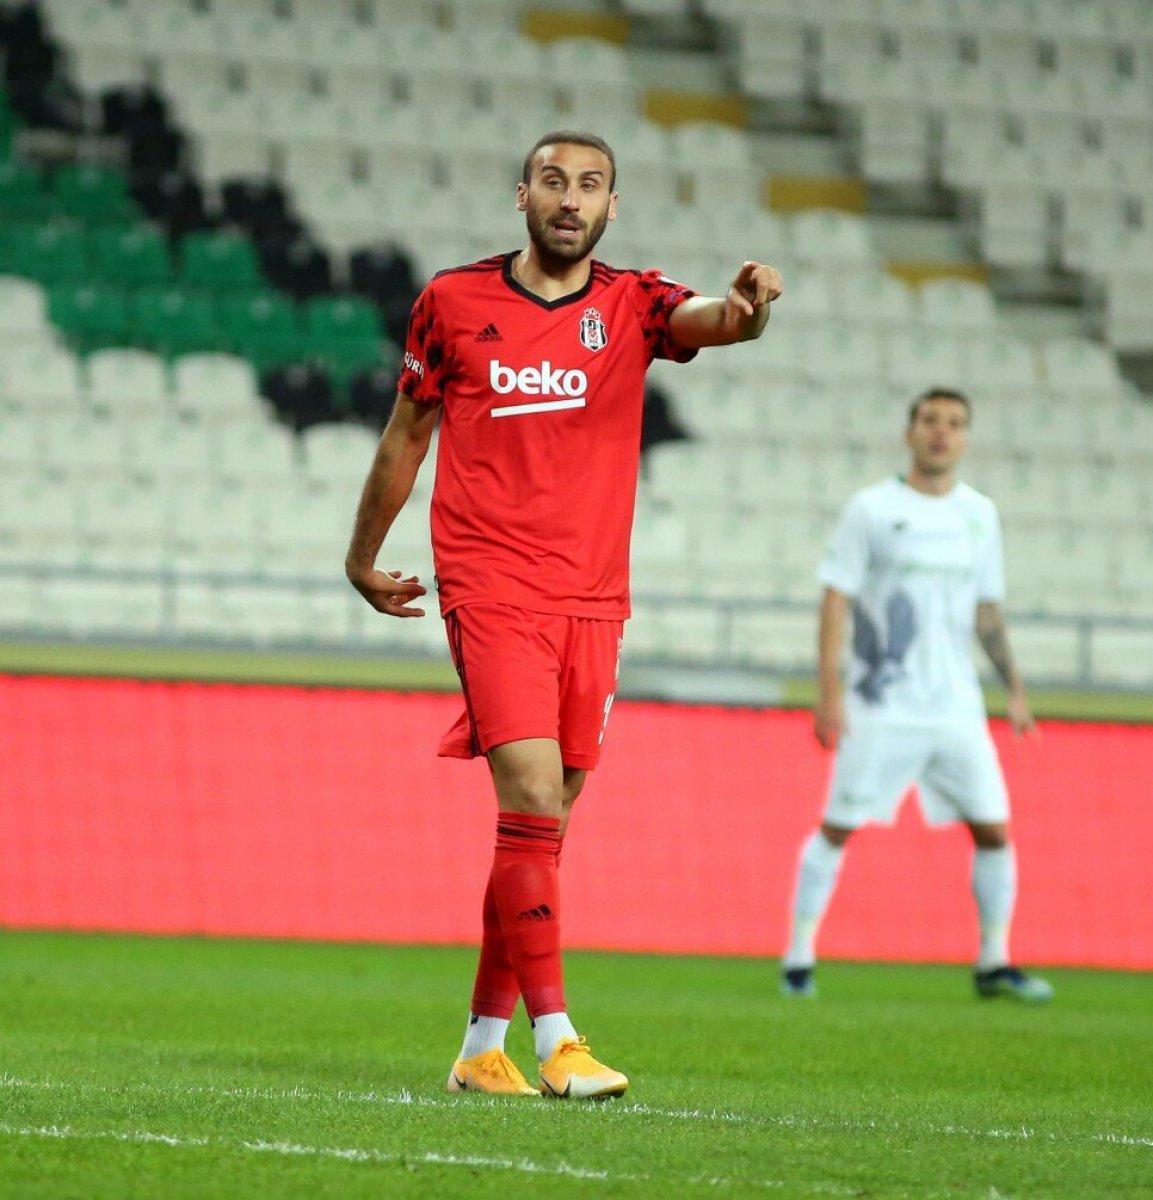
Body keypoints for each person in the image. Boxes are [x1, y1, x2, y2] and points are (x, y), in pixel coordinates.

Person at [345, 131, 783, 1098]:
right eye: (554, 181)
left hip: (592, 597)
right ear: (522, 196)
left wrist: (748, 308)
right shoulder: (451, 302)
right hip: (489, 583)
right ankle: (559, 1043)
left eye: (590, 185)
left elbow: (716, 321)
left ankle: (477, 1050)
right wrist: (361, 555)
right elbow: (405, 434)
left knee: (542, 822)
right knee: (534, 799)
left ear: (611, 208)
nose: (570, 199)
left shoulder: (633, 304)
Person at [780, 388, 1053, 1003]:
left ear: (965, 438)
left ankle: (994, 960)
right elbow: (836, 597)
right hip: (882, 704)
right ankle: (799, 956)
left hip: (956, 707)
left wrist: (1014, 690)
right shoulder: (872, 509)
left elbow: (987, 609)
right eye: (931, 420)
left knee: (993, 829)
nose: (941, 432)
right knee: (838, 825)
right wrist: (830, 692)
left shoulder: (980, 514)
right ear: (910, 432)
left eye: (955, 423)